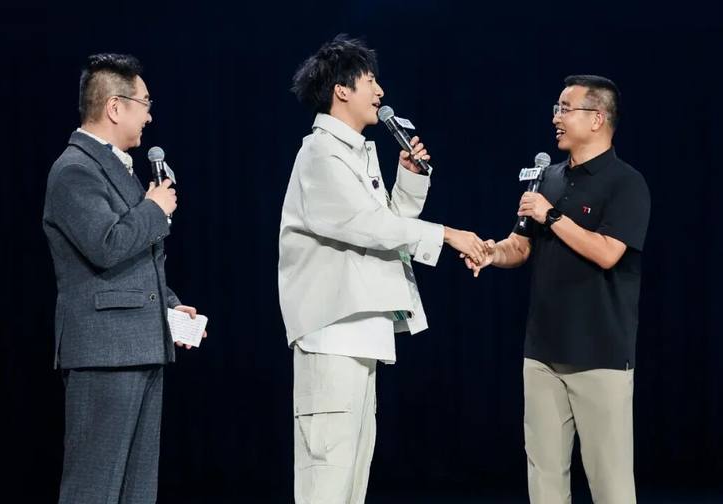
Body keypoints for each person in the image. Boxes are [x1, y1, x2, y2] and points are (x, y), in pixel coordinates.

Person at [278, 35, 487, 504]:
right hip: (331, 334)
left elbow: (387, 224)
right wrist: (448, 235)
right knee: (326, 478)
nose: (380, 91)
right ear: (342, 90)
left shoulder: (355, 152)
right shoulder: (320, 153)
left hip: (359, 332)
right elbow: (366, 226)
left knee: (352, 479)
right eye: (370, 80)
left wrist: (409, 178)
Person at [468, 75, 650, 503]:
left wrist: (552, 217)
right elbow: (520, 246)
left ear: (597, 118)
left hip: (600, 355)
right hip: (542, 354)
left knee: (611, 484)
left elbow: (607, 253)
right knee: (544, 477)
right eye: (557, 108)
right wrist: (492, 253)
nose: (556, 118)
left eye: (566, 109)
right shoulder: (547, 178)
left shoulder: (626, 183)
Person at [42, 53, 206, 504]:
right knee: (94, 487)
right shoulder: (74, 170)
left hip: (141, 345)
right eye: (145, 103)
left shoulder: (114, 167)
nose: (149, 116)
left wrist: (169, 305)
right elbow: (106, 245)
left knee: (137, 489)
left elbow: (134, 261)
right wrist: (154, 208)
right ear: (116, 107)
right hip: (105, 353)